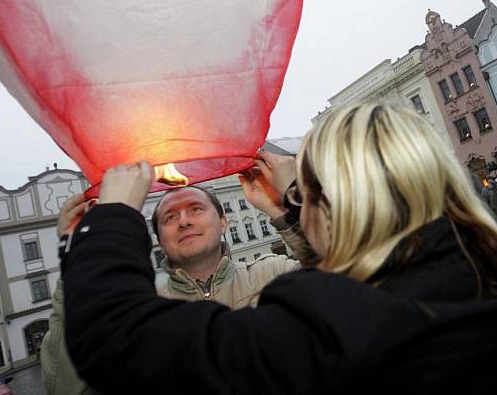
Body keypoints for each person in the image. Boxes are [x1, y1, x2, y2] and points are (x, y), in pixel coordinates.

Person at [61, 103, 497, 394]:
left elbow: (115, 337)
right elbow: (359, 281)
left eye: (307, 194)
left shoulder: (334, 318)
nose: (300, 207)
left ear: (335, 204)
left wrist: (112, 219)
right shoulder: (477, 271)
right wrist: (292, 199)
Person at [41, 153, 313, 395]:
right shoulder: (137, 307)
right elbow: (64, 385)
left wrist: (287, 209)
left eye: (196, 209)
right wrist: (80, 255)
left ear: (222, 222)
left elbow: (345, 291)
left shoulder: (275, 273)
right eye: (170, 218)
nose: (183, 221)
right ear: (159, 238)